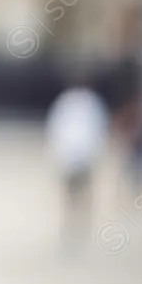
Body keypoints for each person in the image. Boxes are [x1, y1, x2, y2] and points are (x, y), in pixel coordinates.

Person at [44, 76, 111, 248]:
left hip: (71, 157)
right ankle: (78, 224)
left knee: (73, 196)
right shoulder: (90, 103)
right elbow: (100, 130)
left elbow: (55, 129)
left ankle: (74, 224)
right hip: (80, 157)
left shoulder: (67, 102)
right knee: (81, 195)